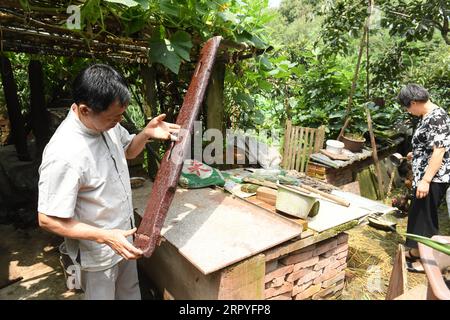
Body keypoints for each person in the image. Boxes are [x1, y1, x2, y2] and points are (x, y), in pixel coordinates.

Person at [37, 64, 180, 299]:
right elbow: (47, 219)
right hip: (97, 252)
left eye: (121, 115)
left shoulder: (105, 124)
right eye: (114, 117)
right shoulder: (64, 154)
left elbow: (127, 151)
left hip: (122, 239)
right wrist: (104, 236)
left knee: (130, 292)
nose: (119, 121)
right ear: (84, 110)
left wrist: (145, 134)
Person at [398, 84, 450, 273]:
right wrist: (417, 153)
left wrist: (426, 180)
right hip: (424, 175)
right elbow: (429, 145)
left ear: (413, 102)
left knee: (426, 219)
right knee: (417, 214)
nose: (408, 111)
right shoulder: (427, 116)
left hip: (433, 178)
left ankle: (426, 262)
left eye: (407, 107)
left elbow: (440, 152)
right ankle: (415, 251)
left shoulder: (438, 117)